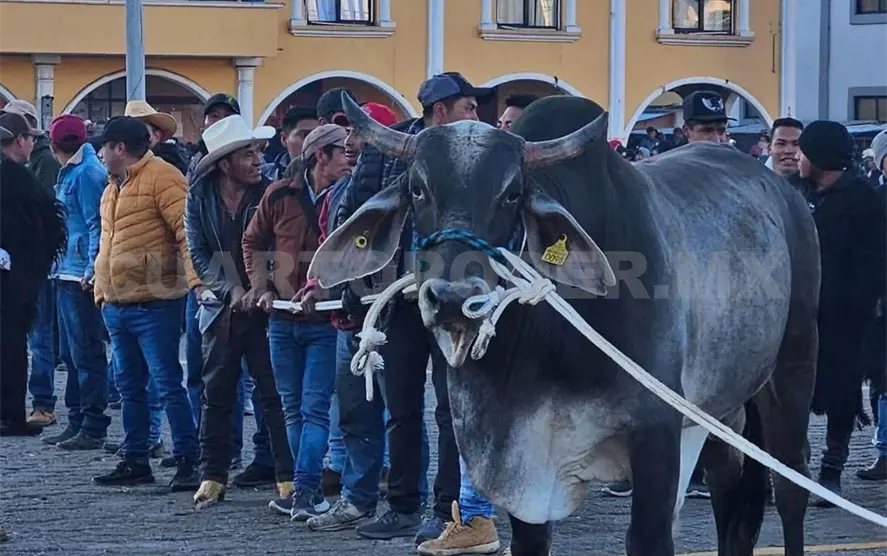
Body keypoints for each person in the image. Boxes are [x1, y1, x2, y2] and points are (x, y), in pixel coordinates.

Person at [342, 73, 500, 553]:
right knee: (402, 407)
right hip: (401, 299)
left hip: (454, 298)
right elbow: (357, 211)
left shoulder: (479, 158)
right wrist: (354, 284)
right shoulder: (385, 151)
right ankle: (402, 504)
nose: (476, 116)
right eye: (468, 107)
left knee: (453, 410)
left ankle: (446, 511)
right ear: (440, 112)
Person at [300, 102, 401, 533]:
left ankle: (406, 504)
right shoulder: (340, 192)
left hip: (390, 318)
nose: (349, 143)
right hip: (349, 318)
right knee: (355, 416)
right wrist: (320, 285)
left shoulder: (401, 187)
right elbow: (334, 249)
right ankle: (358, 499)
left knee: (400, 416)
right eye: (347, 134)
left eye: (357, 133)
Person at [186, 114, 295, 508]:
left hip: (268, 304)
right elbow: (198, 251)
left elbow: (282, 245)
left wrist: (259, 288)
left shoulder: (271, 192)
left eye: (256, 152)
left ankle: (286, 476)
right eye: (247, 154)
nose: (257, 160)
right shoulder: (199, 196)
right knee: (216, 393)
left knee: (273, 394)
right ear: (224, 163)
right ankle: (212, 475)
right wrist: (230, 289)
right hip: (224, 308)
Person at [242, 124, 350, 520]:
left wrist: (325, 289)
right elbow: (253, 242)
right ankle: (306, 491)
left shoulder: (350, 196)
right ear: (320, 155)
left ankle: (305, 490)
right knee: (292, 407)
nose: (350, 158)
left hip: (327, 319)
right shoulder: (279, 194)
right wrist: (262, 287)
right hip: (282, 317)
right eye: (342, 151)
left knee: (314, 408)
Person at [90, 116, 201, 491]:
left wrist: (197, 283)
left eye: (104, 147)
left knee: (168, 383)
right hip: (117, 304)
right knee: (129, 387)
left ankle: (188, 459)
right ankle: (135, 459)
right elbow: (107, 241)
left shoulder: (164, 178)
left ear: (119, 148)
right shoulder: (112, 186)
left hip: (155, 303)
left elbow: (187, 234)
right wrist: (101, 289)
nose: (100, 153)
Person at [796, 121, 887, 504]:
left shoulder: (862, 201)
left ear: (818, 157)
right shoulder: (798, 194)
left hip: (846, 321)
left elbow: (872, 265)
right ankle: (793, 468)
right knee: (792, 395)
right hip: (798, 318)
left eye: (803, 152)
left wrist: (850, 307)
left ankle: (831, 471)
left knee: (842, 397)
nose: (797, 158)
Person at [38, 115, 112, 450]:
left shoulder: (85, 174)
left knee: (85, 353)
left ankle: (91, 424)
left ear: (54, 145)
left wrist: (92, 267)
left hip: (79, 273)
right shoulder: (78, 170)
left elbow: (96, 224)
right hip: (68, 269)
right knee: (72, 354)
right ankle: (78, 419)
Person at [0, 120, 66, 437]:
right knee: (11, 345)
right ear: (19, 140)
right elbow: (50, 223)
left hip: (12, 277)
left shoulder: (15, 177)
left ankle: (8, 414)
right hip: (14, 280)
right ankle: (9, 415)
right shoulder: (16, 177)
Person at [125, 100, 190, 176]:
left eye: (139, 130)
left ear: (157, 135)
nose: (132, 135)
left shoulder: (168, 165)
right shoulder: (124, 164)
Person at [273, 107, 318, 179]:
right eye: (305, 135)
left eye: (319, 136)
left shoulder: (334, 175)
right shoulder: (265, 175)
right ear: (284, 139)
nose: (314, 141)